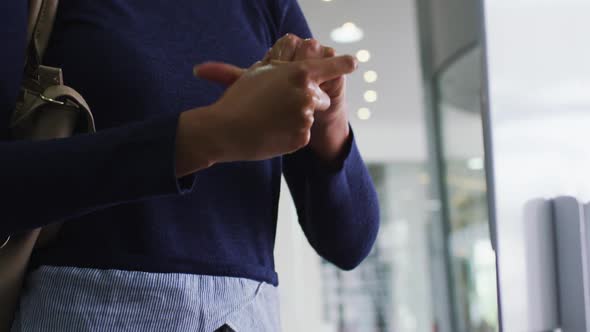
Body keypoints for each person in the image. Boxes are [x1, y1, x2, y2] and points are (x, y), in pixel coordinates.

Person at [1, 1, 380, 331]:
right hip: (88, 309)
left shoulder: (266, 5)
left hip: (245, 314)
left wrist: (329, 125)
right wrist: (201, 138)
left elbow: (349, 243)